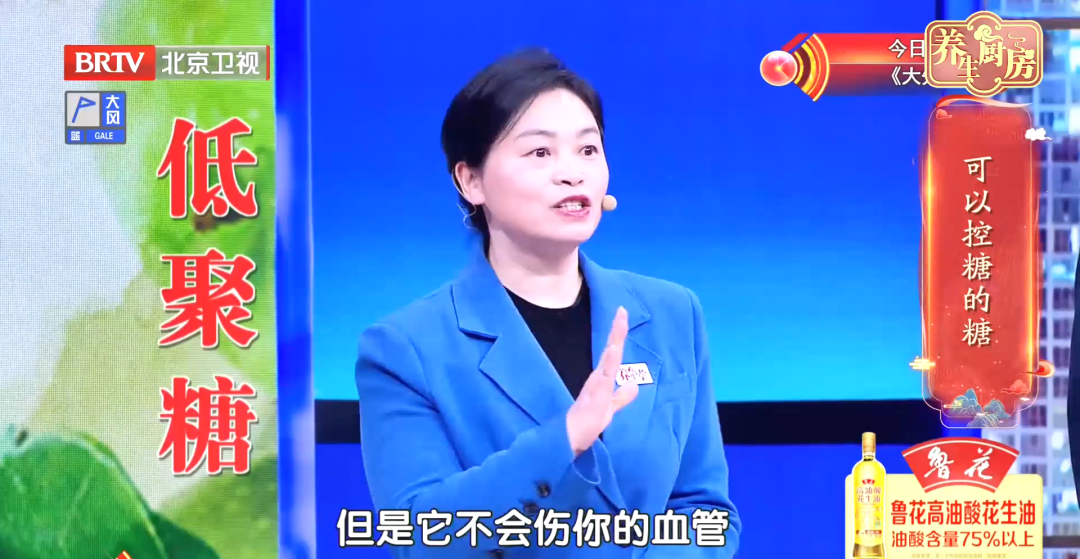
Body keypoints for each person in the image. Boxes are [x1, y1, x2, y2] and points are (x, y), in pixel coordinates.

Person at [355, 49, 741, 558]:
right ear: (471, 181)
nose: (572, 173)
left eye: (588, 149)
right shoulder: (404, 349)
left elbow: (706, 512)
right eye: (540, 153)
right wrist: (565, 439)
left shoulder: (672, 313)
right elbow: (420, 537)